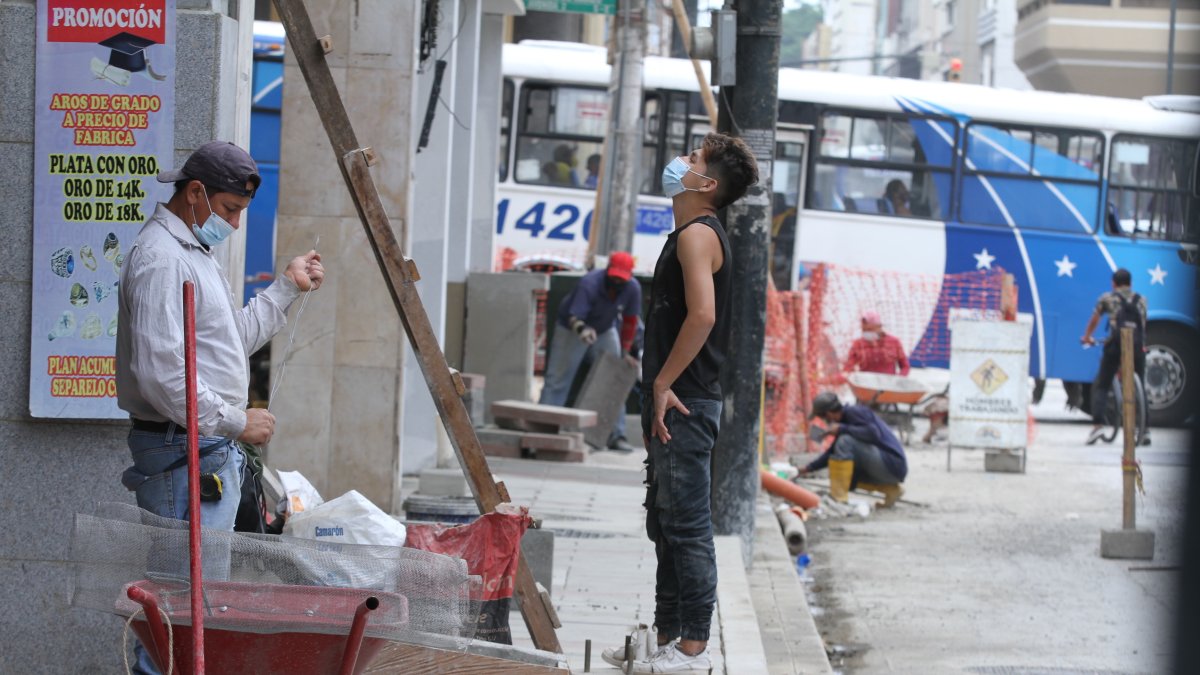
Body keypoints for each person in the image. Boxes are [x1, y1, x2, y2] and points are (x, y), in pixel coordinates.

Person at [115, 141, 323, 675]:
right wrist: (236, 420)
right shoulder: (161, 258)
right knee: (179, 607)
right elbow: (163, 378)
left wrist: (285, 288)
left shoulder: (193, 254)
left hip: (204, 448)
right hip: (180, 448)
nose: (232, 223)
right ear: (195, 193)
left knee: (196, 604)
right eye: (229, 210)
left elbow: (228, 341)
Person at [608, 132, 757, 674]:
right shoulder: (687, 233)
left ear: (707, 183)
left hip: (685, 400)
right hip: (676, 398)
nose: (680, 163)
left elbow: (703, 316)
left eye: (691, 159)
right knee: (665, 521)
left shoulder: (698, 235)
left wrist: (663, 383)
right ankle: (668, 636)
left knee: (688, 526)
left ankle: (694, 648)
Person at [539, 252, 642, 452]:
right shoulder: (590, 283)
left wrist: (626, 352)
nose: (616, 281)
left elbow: (630, 321)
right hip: (573, 329)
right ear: (607, 271)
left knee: (615, 378)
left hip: (604, 328)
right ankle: (544, 428)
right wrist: (582, 330)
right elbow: (573, 317)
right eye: (613, 276)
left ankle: (616, 434)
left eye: (621, 278)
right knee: (558, 380)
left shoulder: (632, 288)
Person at [800, 392, 907, 507]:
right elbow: (833, 452)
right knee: (845, 476)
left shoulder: (855, 412)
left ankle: (838, 498)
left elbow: (873, 433)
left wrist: (842, 428)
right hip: (887, 468)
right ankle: (892, 490)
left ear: (829, 414)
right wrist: (808, 468)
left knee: (845, 441)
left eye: (822, 417)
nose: (824, 421)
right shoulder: (844, 424)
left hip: (893, 464)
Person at [1081, 267, 1149, 445]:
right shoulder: (1141, 300)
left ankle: (1098, 427)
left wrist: (1087, 337)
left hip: (1115, 346)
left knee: (1102, 385)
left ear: (1113, 283)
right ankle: (1145, 430)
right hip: (1136, 347)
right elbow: (1143, 324)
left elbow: (1095, 318)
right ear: (1131, 283)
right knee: (1140, 383)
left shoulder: (1107, 298)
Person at [843, 310, 910, 376]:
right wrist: (844, 375)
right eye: (864, 330)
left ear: (879, 327)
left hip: (888, 384)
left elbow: (905, 366)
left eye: (870, 329)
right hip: (865, 384)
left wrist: (899, 378)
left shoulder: (894, 342)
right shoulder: (858, 344)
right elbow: (849, 366)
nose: (867, 332)